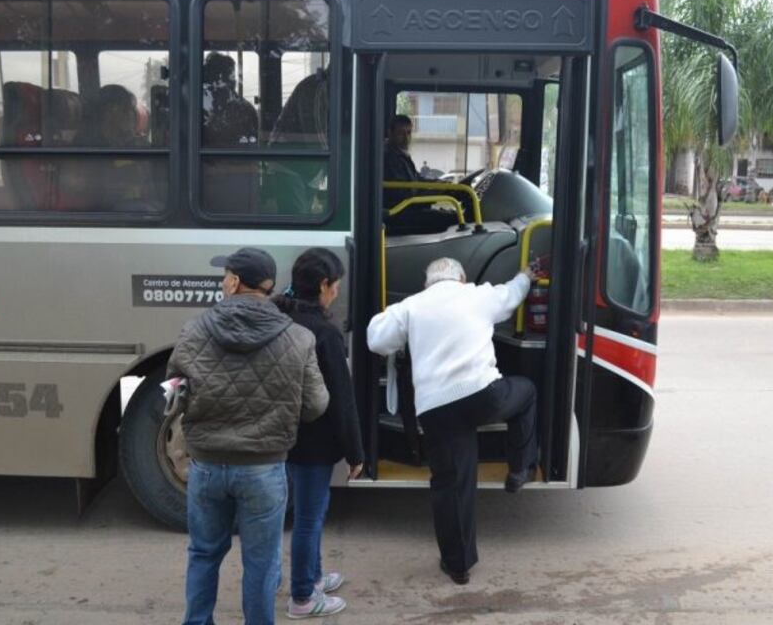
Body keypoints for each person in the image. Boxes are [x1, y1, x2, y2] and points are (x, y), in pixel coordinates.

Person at [167, 247, 329, 625]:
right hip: (264, 467)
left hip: (206, 465)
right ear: (269, 286)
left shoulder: (194, 330)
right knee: (260, 562)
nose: (223, 281)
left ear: (235, 282)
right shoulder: (299, 337)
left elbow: (174, 391)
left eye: (225, 275)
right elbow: (317, 404)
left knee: (204, 553)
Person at [366, 258, 539, 585]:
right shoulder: (477, 295)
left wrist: (393, 314)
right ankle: (521, 468)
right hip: (483, 395)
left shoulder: (411, 305)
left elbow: (376, 340)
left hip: (436, 407)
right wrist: (525, 275)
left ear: (426, 283)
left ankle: (458, 565)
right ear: (461, 277)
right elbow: (513, 293)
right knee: (526, 392)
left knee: (452, 483)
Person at [273, 248, 364, 619]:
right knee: (310, 517)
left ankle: (313, 576)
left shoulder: (279, 318)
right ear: (323, 285)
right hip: (314, 441)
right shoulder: (324, 333)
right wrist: (356, 451)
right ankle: (302, 598)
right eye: (336, 286)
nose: (337, 293)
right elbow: (342, 399)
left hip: (283, 435)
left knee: (309, 511)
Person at [383, 115, 459, 234]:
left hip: (408, 209)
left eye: (408, 133)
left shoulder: (400, 154)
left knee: (452, 215)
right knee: (455, 219)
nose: (406, 138)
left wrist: (438, 184)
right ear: (390, 132)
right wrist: (436, 191)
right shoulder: (390, 158)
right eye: (401, 133)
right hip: (401, 213)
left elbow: (417, 179)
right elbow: (403, 193)